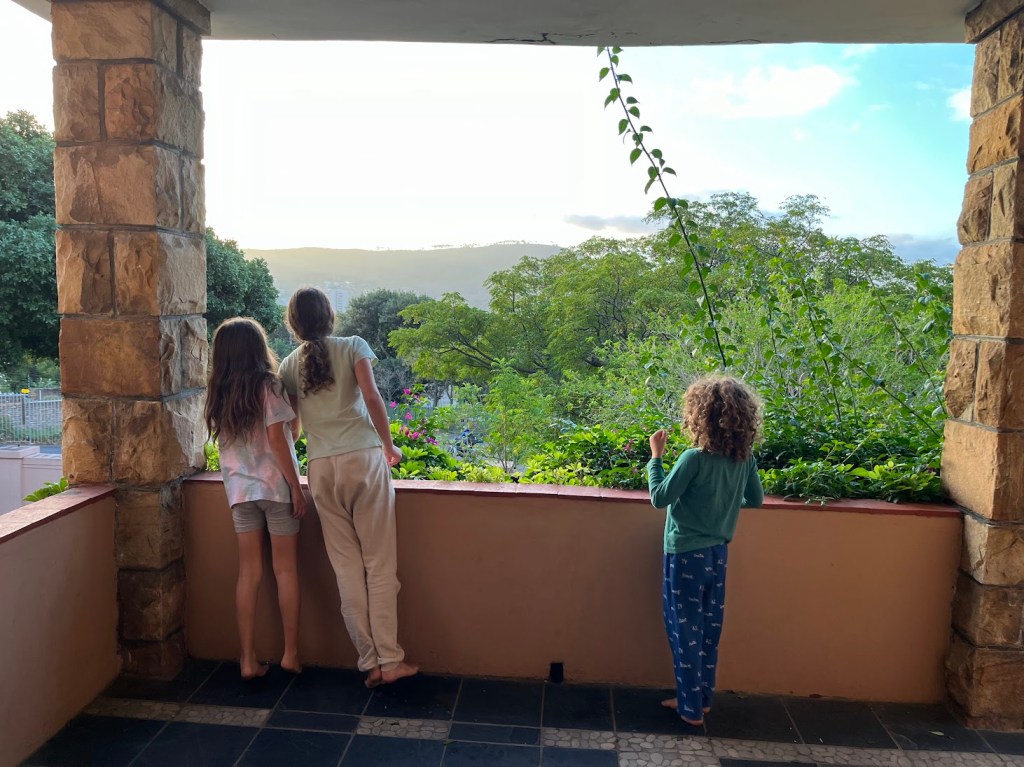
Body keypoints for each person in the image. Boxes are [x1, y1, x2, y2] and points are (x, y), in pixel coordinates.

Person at [280, 287, 418, 688]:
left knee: (346, 569)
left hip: (322, 468)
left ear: (294, 324)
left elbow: (293, 428)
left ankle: (369, 662)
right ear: (329, 315)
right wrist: (390, 447)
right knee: (379, 564)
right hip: (363, 460)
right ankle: (391, 660)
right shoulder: (353, 346)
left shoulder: (288, 365)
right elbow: (372, 399)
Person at [647, 375, 764, 727]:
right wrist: (721, 505)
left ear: (700, 416)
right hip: (717, 554)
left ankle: (690, 709)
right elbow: (755, 499)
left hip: (685, 554)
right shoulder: (744, 459)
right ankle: (703, 699)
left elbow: (659, 498)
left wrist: (655, 457)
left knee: (684, 629)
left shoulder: (693, 459)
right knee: (709, 628)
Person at [205, 317, 308, 680]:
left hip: (240, 493)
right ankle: (290, 655)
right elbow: (281, 439)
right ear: (257, 348)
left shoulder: (218, 391)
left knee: (248, 574)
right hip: (276, 490)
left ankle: (247, 660)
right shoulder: (269, 385)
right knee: (286, 571)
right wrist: (296, 487)